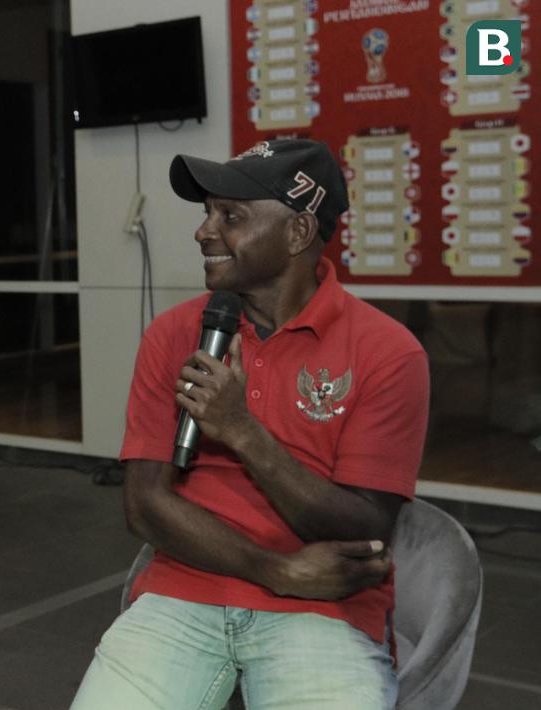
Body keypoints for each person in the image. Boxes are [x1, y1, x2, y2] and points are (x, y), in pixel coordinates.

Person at [69, 139, 430, 710]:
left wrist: (242, 430)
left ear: (297, 233)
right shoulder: (172, 334)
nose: (204, 231)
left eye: (230, 216)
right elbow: (144, 504)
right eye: (207, 212)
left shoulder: (389, 352)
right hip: (186, 587)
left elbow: (365, 528)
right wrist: (275, 569)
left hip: (323, 611)